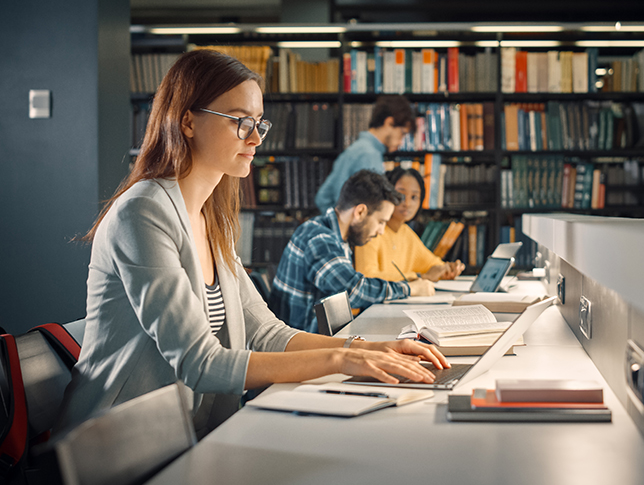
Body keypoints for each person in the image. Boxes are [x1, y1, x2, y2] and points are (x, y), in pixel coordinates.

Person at [56, 50, 448, 438]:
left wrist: (367, 349)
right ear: (188, 121)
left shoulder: (212, 218)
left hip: (187, 434)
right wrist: (342, 359)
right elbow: (199, 362)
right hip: (115, 446)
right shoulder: (143, 212)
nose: (257, 137)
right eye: (241, 122)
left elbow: (267, 333)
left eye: (260, 123)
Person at [270, 169, 436, 333]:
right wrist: (409, 289)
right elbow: (352, 290)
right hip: (300, 348)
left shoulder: (335, 236)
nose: (381, 231)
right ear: (360, 212)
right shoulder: (319, 238)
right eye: (380, 221)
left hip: (318, 341)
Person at [355, 167, 465, 282]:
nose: (407, 204)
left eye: (414, 197)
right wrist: (419, 277)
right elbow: (367, 277)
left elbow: (433, 265)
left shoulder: (406, 233)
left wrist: (448, 269)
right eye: (401, 196)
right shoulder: (371, 231)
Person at [314, 95, 414, 213]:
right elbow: (369, 209)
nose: (401, 142)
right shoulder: (368, 155)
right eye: (402, 133)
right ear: (389, 123)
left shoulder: (360, 149)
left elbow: (323, 197)